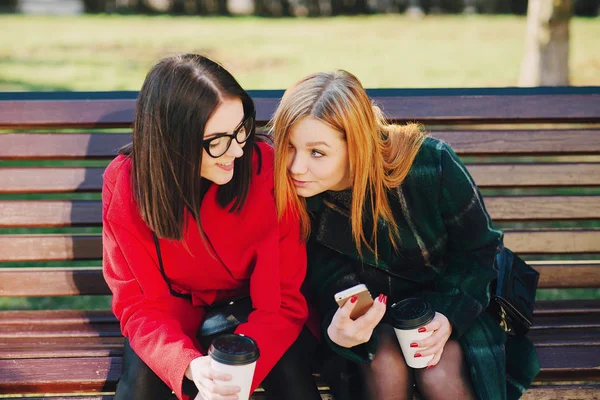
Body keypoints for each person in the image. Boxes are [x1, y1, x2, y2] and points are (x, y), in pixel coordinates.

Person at [272, 70, 539, 400]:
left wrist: (448, 316)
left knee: (437, 369)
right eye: (288, 146)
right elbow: (321, 283)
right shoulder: (293, 196)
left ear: (356, 145)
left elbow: (479, 251)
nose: (296, 167)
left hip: (450, 300)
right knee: (384, 363)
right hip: (365, 327)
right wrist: (341, 330)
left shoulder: (429, 163)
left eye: (317, 152)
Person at [102, 54, 321, 400]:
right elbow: (139, 304)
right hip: (172, 314)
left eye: (241, 129)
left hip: (256, 310)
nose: (236, 150)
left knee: (291, 372)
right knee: (140, 381)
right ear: (172, 140)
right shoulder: (127, 182)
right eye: (216, 140)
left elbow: (280, 301)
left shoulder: (264, 168)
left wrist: (234, 375)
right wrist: (187, 364)